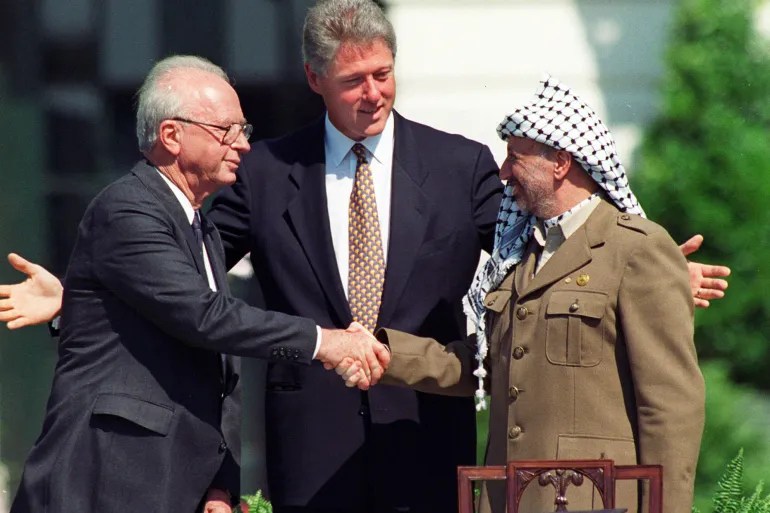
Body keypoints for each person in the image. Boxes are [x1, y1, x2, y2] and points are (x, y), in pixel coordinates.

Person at [0, 2, 728, 511]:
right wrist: (81, 295)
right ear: (316, 80)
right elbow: (185, 279)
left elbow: (538, 251)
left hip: (426, 435)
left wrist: (649, 271)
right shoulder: (264, 170)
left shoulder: (460, 164)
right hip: (312, 449)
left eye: (383, 73)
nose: (373, 92)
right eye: (353, 79)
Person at [5, 55, 389, 513]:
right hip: (107, 477)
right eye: (228, 131)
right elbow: (205, 318)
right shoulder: (127, 210)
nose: (243, 145)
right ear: (172, 135)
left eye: (244, 130)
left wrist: (219, 486)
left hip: (172, 482)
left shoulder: (201, 228)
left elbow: (217, 368)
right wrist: (324, 342)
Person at [341, 76, 705, 513]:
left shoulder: (636, 249)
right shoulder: (522, 255)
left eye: (516, 158)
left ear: (561, 163)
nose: (503, 172)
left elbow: (670, 405)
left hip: (595, 500)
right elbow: (486, 365)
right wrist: (383, 352)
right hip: (509, 496)